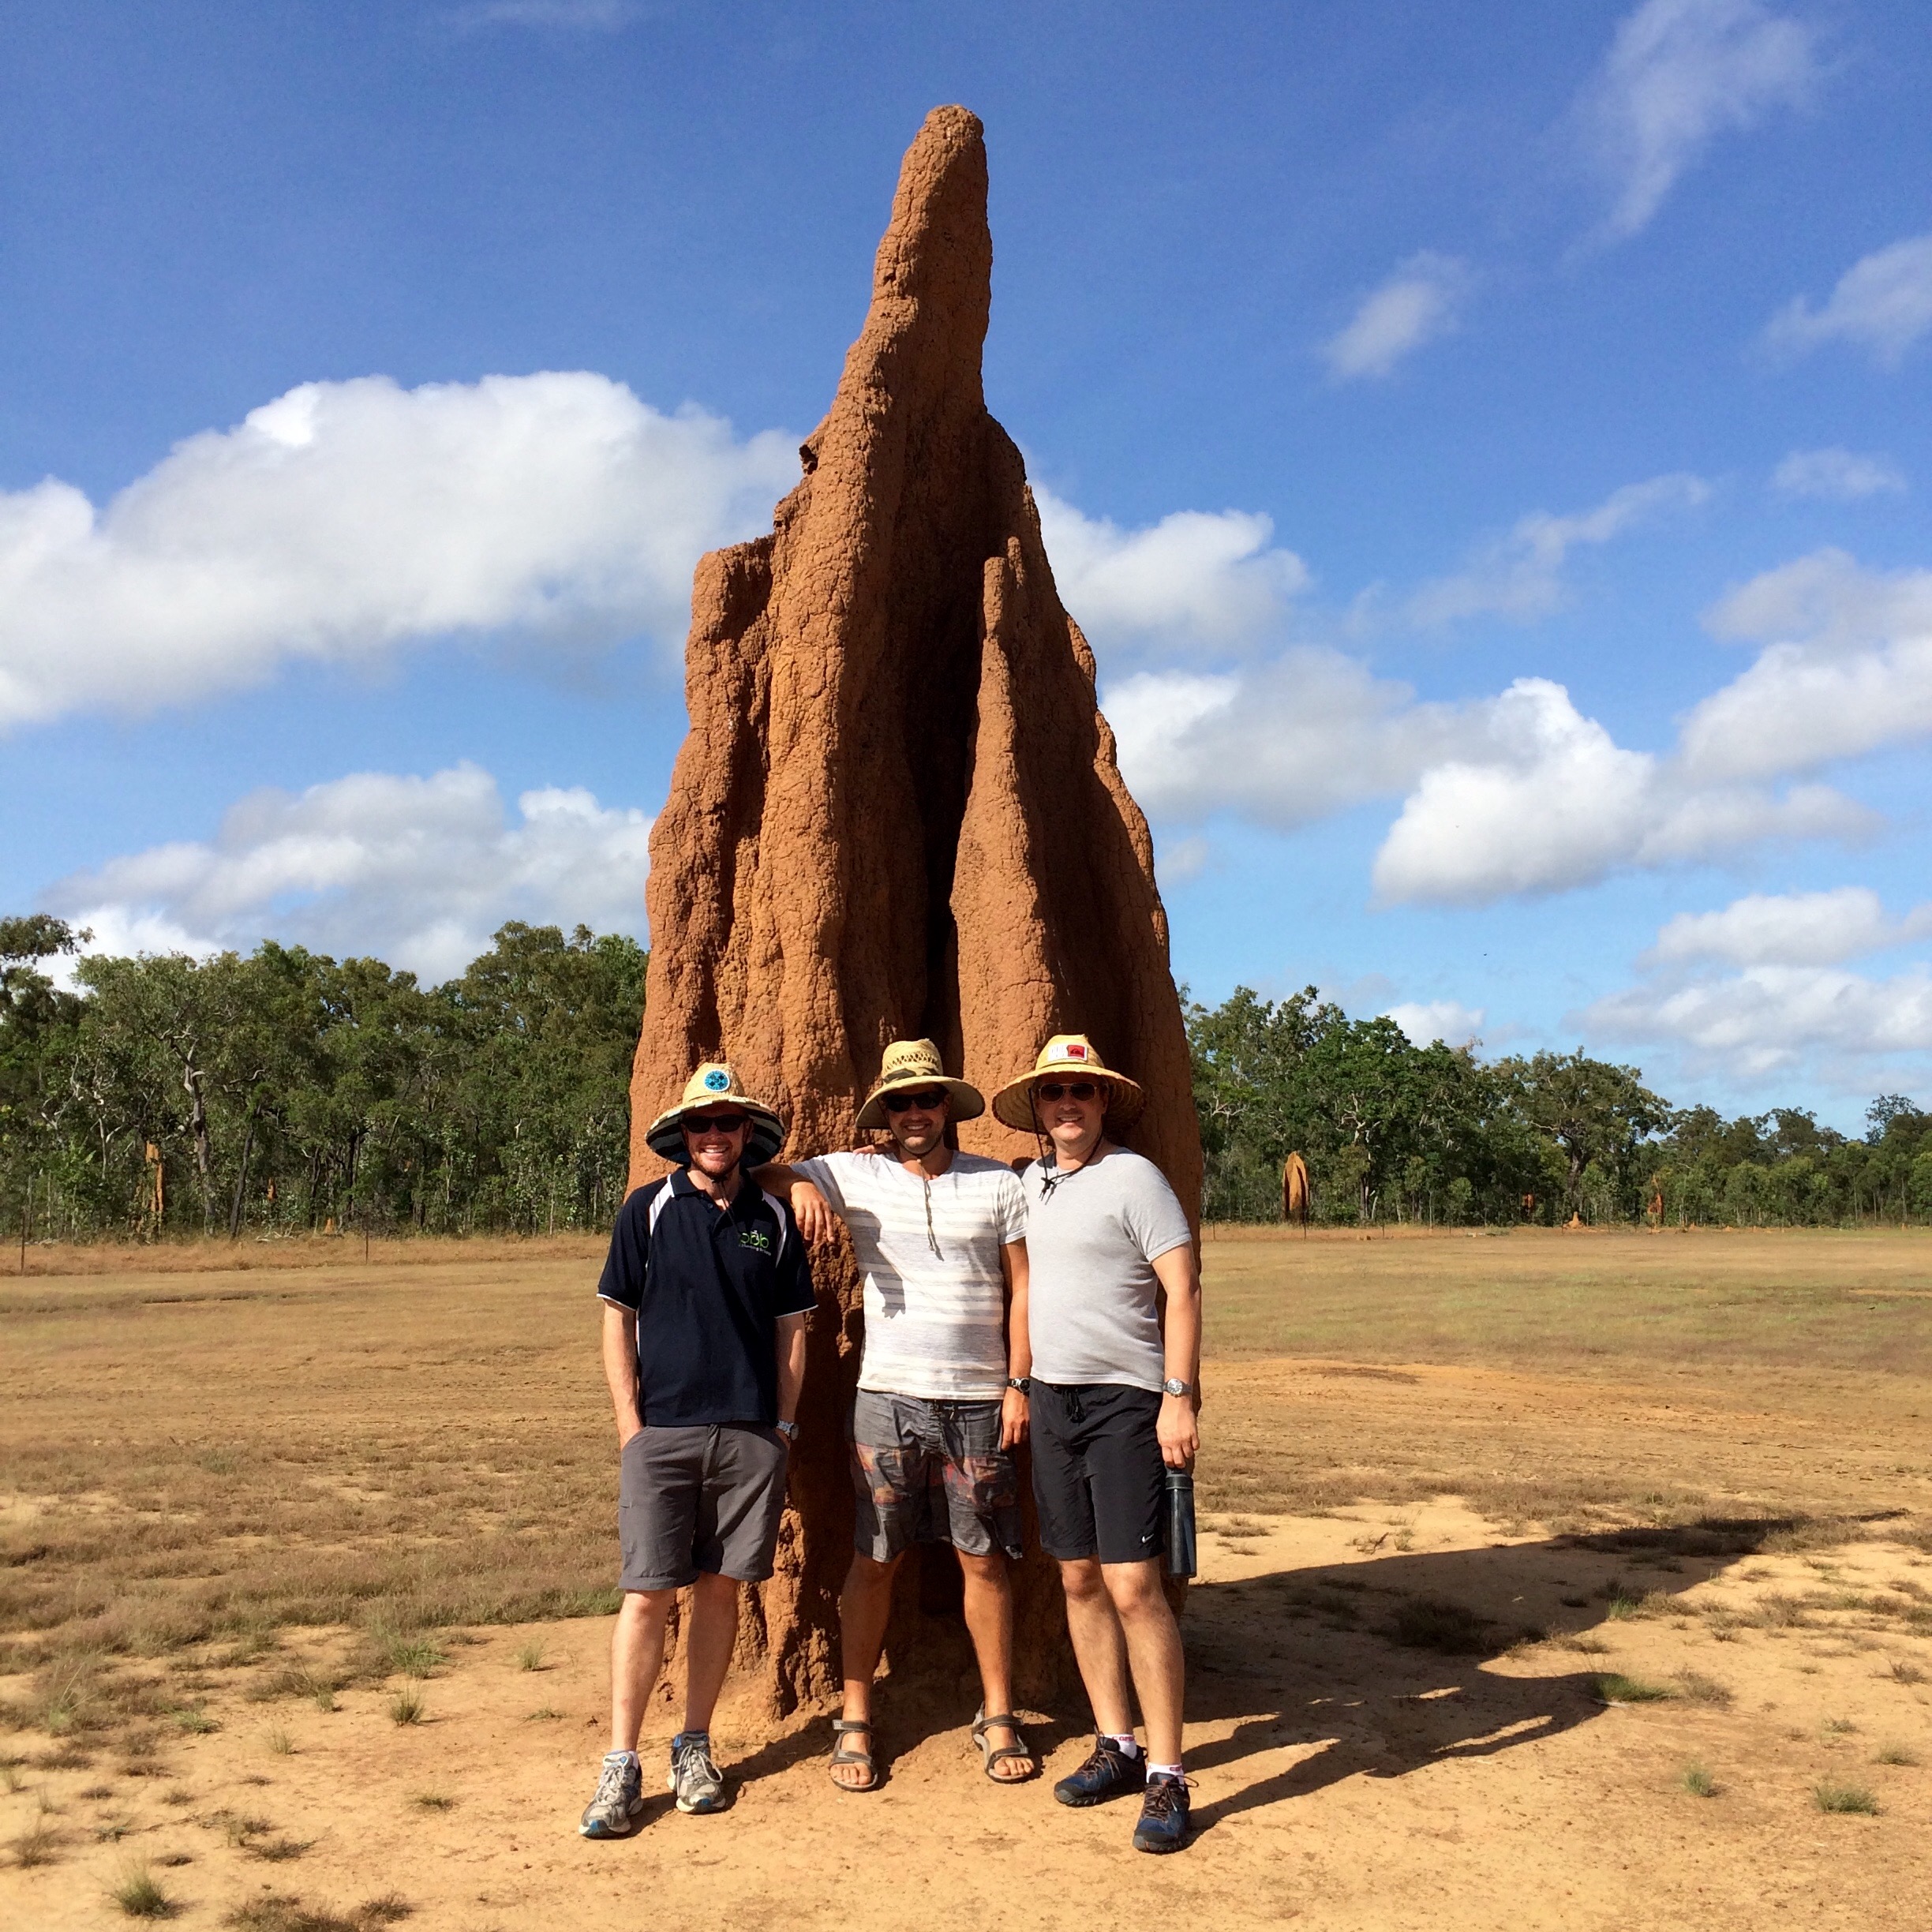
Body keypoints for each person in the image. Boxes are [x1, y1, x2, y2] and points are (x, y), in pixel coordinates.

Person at [758, 1037, 1035, 1793]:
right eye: (901, 1103)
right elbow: (755, 1171)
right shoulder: (856, 1172)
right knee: (875, 1557)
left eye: (927, 1099)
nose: (914, 1113)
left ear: (947, 1106)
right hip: (886, 1398)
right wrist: (800, 1183)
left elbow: (1024, 1288)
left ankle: (998, 1712)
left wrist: (1020, 1383)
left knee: (983, 1557)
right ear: (886, 1112)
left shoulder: (996, 1184)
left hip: (980, 1399)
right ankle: (856, 1715)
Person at [578, 1064, 815, 1840]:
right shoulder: (646, 1212)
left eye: (729, 1124)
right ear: (683, 1136)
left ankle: (695, 1746)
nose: (715, 1136)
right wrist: (629, 1426)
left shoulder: (773, 1219)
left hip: (749, 1435)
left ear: (748, 1134)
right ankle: (621, 1761)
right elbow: (617, 1317)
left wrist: (781, 1428)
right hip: (663, 1434)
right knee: (648, 1593)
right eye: (702, 1125)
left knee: (719, 1593)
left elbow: (793, 1331)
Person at [988, 1034, 1202, 1855]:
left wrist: (1177, 1399)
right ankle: (1118, 1745)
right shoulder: (1029, 1186)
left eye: (1081, 1090)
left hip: (1125, 1402)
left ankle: (1169, 1774)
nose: (1067, 1104)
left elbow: (1181, 1289)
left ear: (1103, 1101)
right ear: (1038, 1111)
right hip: (1050, 1400)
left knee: (1133, 1584)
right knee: (1076, 1575)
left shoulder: (1136, 1179)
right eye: (1054, 1093)